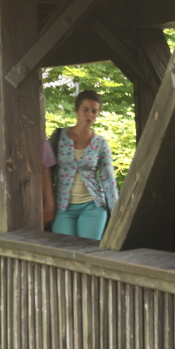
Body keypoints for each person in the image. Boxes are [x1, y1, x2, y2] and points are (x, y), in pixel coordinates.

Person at [51, 90, 118, 241]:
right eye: (85, 110)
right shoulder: (58, 137)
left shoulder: (101, 143)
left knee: (87, 250)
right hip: (63, 206)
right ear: (76, 110)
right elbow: (46, 169)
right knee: (63, 250)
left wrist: (117, 212)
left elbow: (108, 179)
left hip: (93, 207)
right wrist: (46, 202)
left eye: (94, 111)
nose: (89, 115)